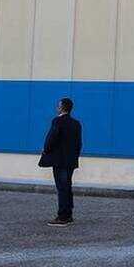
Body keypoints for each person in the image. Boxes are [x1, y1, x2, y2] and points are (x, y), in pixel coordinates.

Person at [38, 97, 82, 226]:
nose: (57, 107)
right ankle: (68, 214)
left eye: (59, 105)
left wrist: (46, 150)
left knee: (62, 188)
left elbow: (51, 138)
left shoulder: (57, 121)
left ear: (62, 107)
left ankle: (62, 217)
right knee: (67, 187)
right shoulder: (76, 123)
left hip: (59, 160)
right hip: (70, 161)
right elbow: (79, 143)